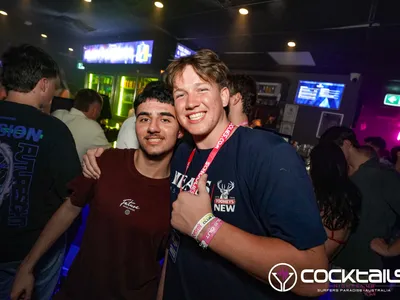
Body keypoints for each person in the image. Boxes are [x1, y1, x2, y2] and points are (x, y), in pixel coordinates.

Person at [82, 50, 328, 299]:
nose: (190, 102)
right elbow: (174, 241)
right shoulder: (181, 154)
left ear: (224, 96)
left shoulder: (267, 155)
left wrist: (206, 227)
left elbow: (313, 277)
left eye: (201, 89)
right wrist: (102, 156)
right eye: (181, 94)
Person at [10, 82, 182, 300]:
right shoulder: (106, 161)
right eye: (144, 118)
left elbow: (170, 260)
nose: (153, 128)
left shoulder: (179, 190)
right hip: (78, 291)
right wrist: (27, 266)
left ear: (180, 131)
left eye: (165, 119)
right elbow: (68, 210)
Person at [0, 44, 81, 299]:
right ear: (44, 84)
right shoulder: (54, 130)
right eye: (54, 88)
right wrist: (29, 265)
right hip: (28, 254)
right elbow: (74, 198)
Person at [319, 127, 400, 273]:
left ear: (347, 145)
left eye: (332, 151)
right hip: (331, 264)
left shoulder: (384, 177)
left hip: (361, 271)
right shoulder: (341, 175)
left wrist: (390, 250)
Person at [309, 143, 362, 260]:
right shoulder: (349, 192)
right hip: (325, 263)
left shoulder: (323, 197)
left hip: (311, 262)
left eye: (312, 163)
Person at [52, 89, 110, 161]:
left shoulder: (56, 114)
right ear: (94, 110)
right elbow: (110, 156)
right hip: (71, 171)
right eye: (99, 111)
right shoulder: (92, 127)